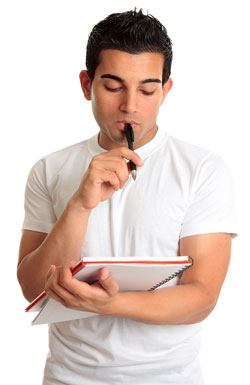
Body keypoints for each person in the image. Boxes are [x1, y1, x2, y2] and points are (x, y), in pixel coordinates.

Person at [17, 9, 237, 385]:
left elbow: (202, 297)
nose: (131, 105)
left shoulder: (203, 169)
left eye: (148, 90)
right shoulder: (49, 169)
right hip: (68, 377)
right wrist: (80, 205)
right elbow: (33, 287)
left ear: (165, 91)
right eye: (113, 86)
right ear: (87, 84)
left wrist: (110, 304)